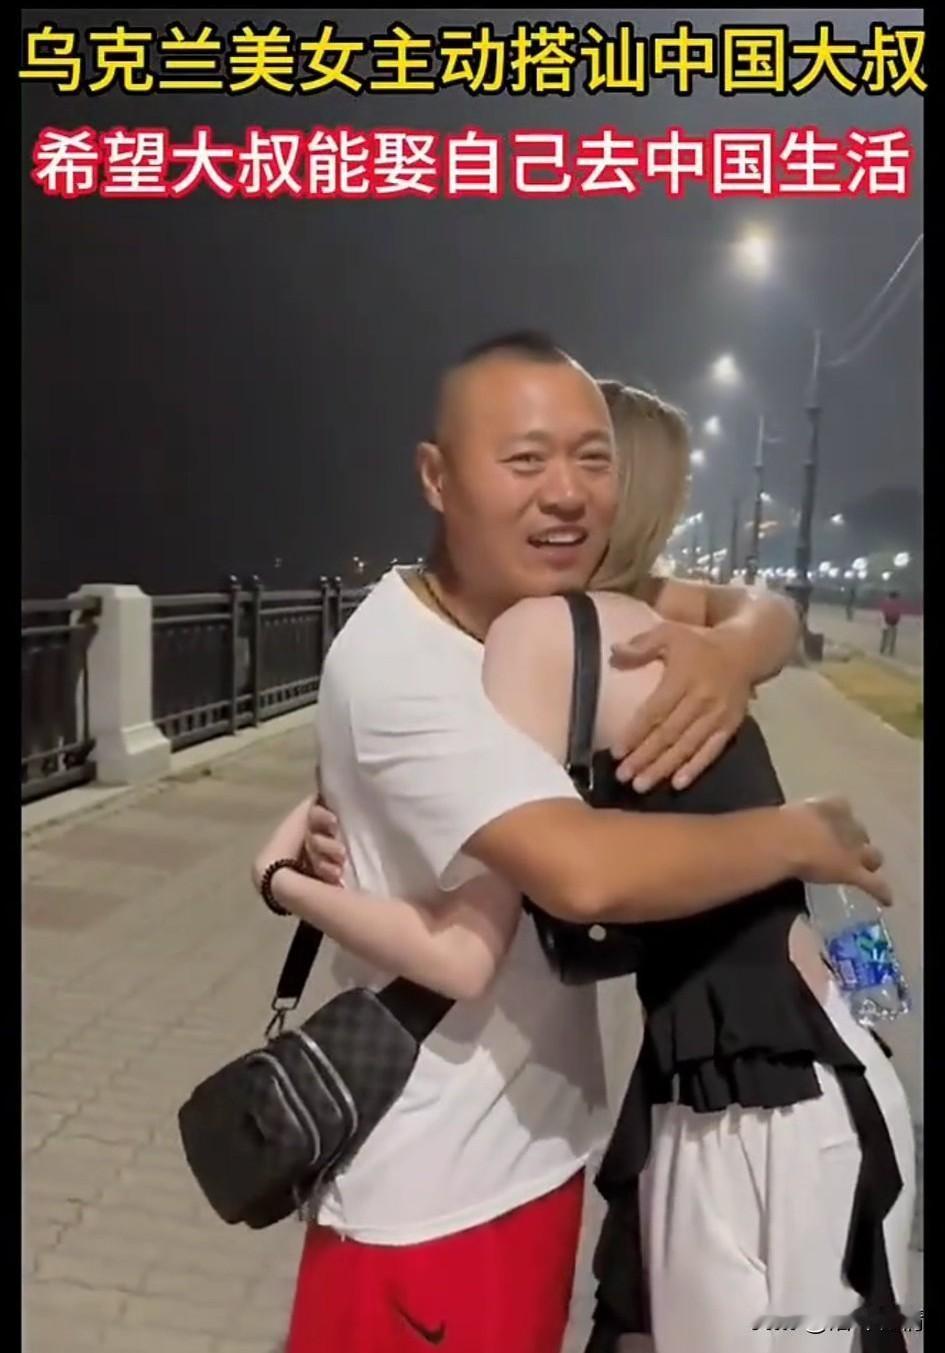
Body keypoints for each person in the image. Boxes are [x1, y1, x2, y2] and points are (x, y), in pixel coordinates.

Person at [254, 339, 891, 1353]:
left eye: (591, 462)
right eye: (527, 462)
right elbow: (570, 873)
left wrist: (738, 649)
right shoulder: (547, 643)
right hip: (486, 1171)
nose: (565, 495)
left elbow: (762, 618)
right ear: (439, 477)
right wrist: (793, 833)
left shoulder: (577, 632)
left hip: (638, 1117)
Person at [880, 590, 903, 657]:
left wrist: (884, 620)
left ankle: (882, 649)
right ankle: (891, 650)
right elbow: (898, 613)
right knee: (893, 637)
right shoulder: (898, 603)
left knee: (885, 636)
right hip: (894, 622)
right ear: (895, 596)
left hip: (886, 621)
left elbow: (883, 612)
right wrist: (897, 620)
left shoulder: (885, 602)